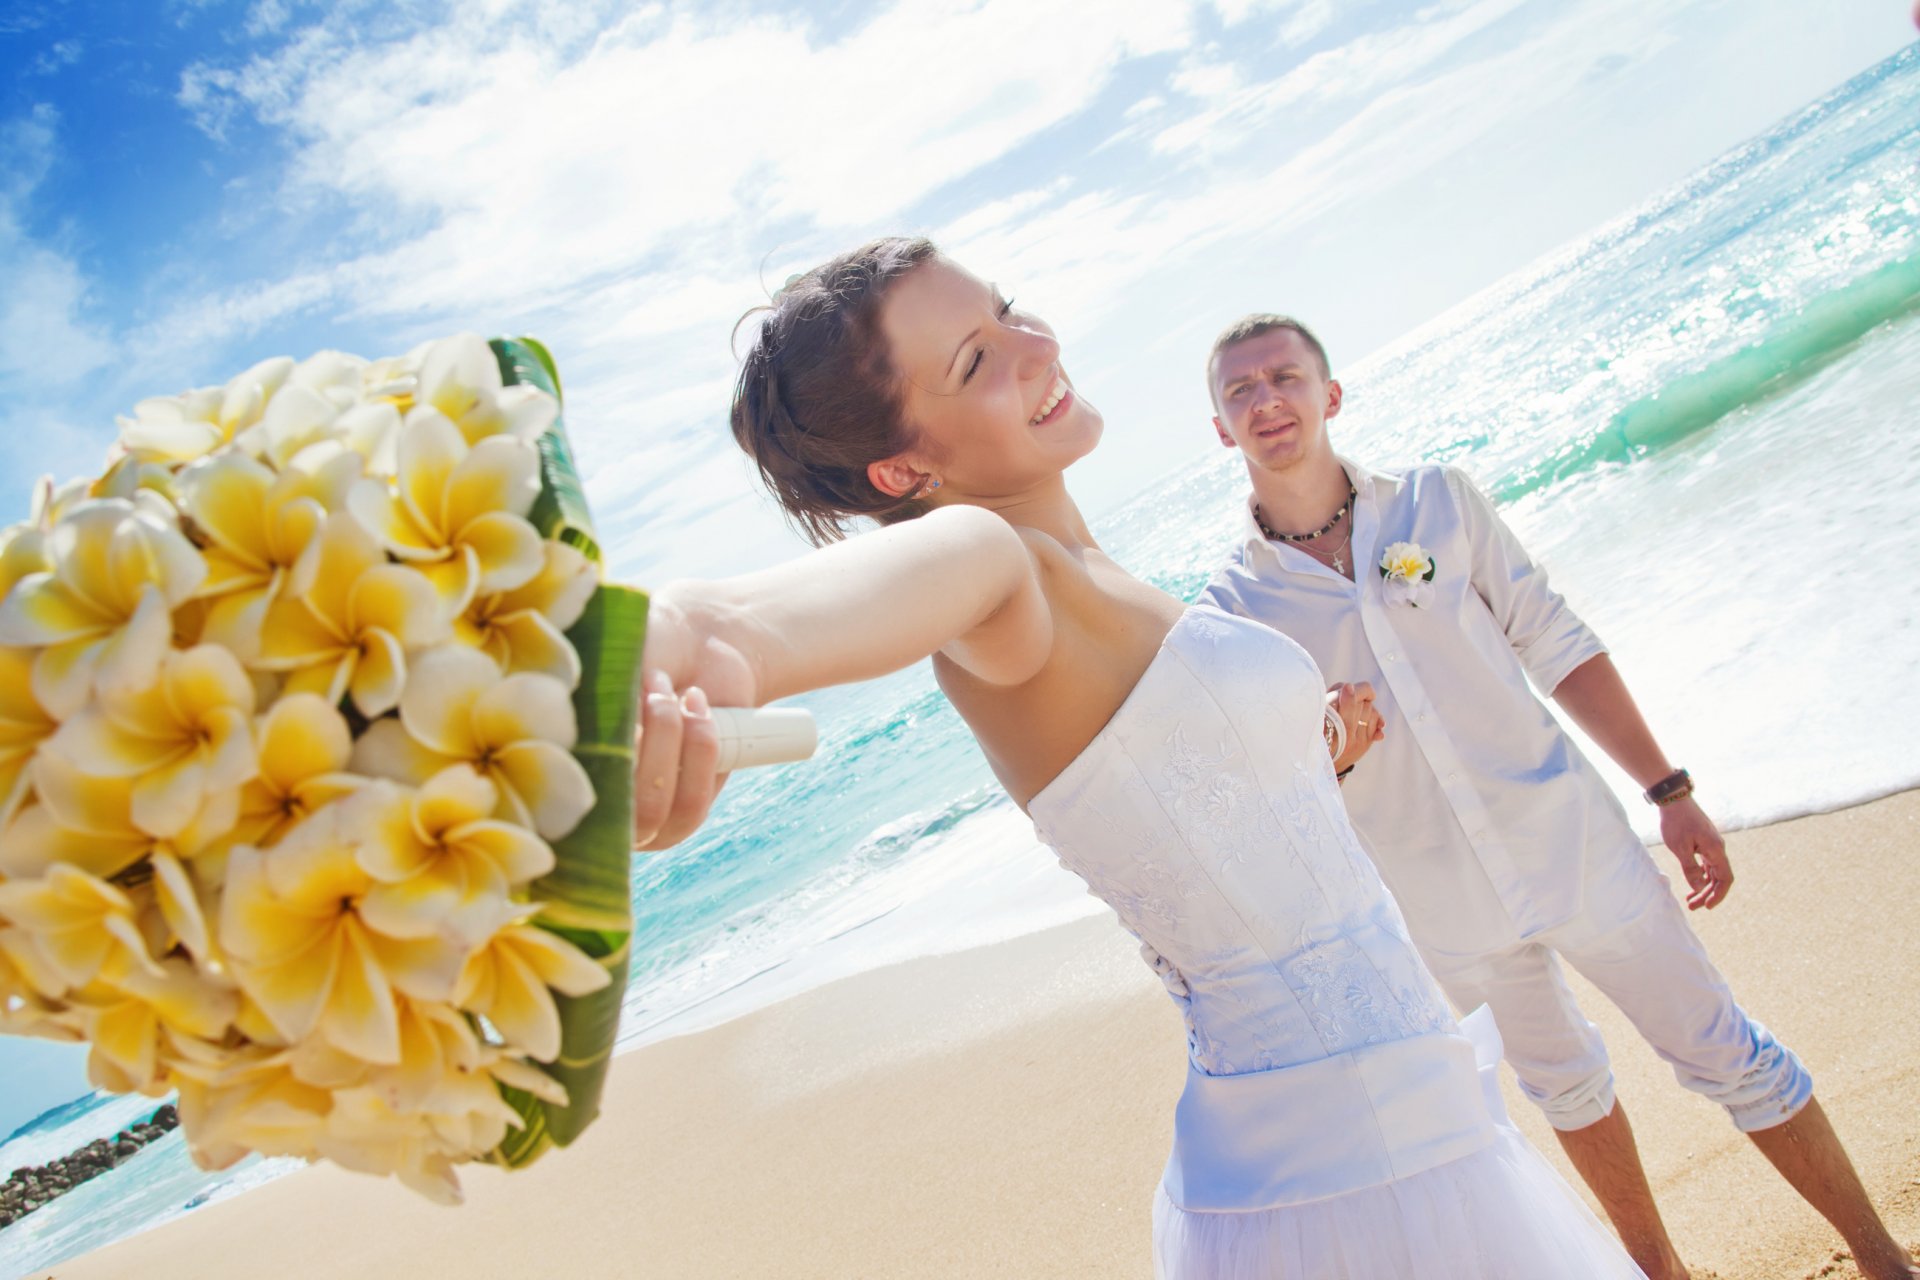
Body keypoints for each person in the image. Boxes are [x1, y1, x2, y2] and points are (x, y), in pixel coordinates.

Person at [633, 237, 1646, 1278]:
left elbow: (1190, 782)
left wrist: (1323, 734)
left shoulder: (1093, 576)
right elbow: (747, 621)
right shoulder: (999, 567)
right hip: (1353, 1177)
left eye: (1010, 309)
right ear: (905, 470)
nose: (1036, 344)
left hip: (1382, 1125)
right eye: (977, 360)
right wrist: (691, 648)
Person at [1196, 313, 1919, 1280]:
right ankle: (1662, 1274)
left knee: (1727, 1050)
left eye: (1283, 377)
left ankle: (1880, 1258)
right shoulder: (1232, 609)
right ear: (1220, 429)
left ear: (1330, 397)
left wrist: (1669, 789)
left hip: (1573, 846)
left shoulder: (1438, 505)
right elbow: (1265, 795)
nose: (1266, 401)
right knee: (1564, 1090)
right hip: (1442, 906)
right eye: (1240, 391)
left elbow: (1557, 642)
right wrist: (1328, 747)